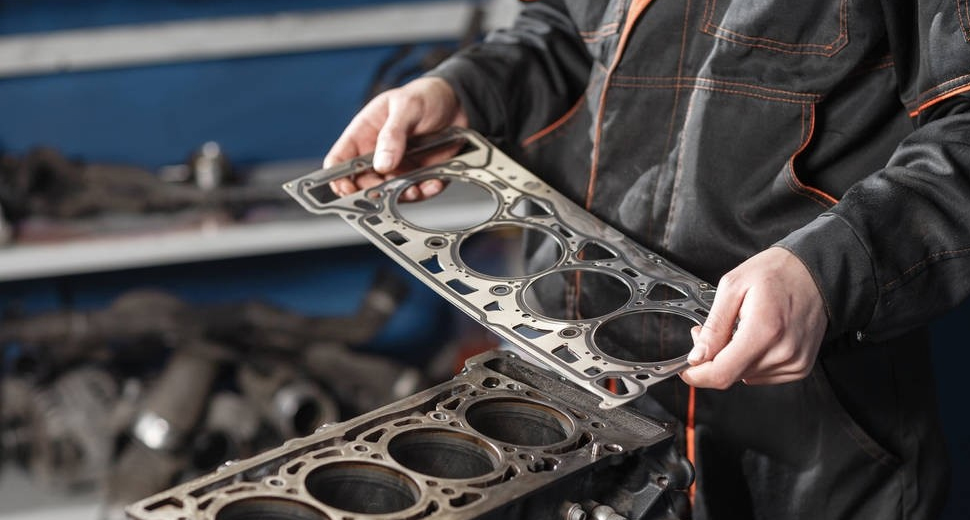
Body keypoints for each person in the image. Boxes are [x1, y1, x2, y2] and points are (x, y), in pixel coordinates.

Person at [324, 1, 970, 518]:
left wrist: (831, 267)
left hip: (809, 435)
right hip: (567, 395)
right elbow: (561, 30)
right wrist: (467, 89)